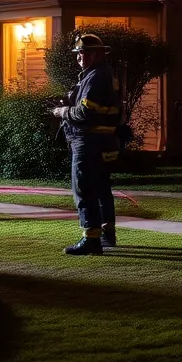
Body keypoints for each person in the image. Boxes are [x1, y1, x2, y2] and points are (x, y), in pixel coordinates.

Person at [52, 33, 121, 255]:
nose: (78, 58)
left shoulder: (95, 77)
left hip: (88, 141)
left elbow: (85, 112)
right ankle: (106, 234)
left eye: (81, 53)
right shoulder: (100, 74)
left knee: (83, 188)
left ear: (92, 54)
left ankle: (91, 239)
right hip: (102, 141)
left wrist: (62, 111)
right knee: (101, 188)